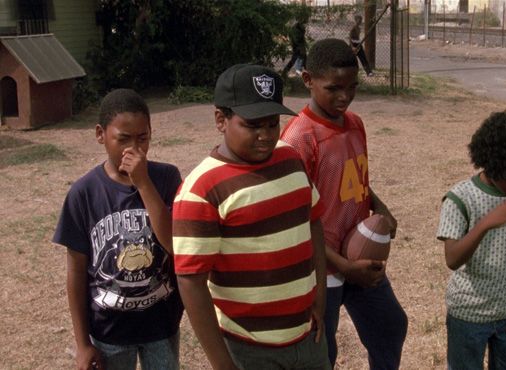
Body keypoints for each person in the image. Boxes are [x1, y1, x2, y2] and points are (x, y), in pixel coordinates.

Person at [172, 64, 330, 370]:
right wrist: (222, 364)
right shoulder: (201, 190)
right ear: (221, 119)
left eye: (273, 124)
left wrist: (319, 299)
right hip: (247, 348)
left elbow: (313, 225)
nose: (266, 135)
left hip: (307, 336)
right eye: (253, 124)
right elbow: (191, 282)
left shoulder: (291, 160)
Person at [281, 38, 408, 369]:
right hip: (325, 266)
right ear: (307, 79)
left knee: (390, 325)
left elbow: (353, 178)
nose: (344, 97)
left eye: (352, 87)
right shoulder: (298, 138)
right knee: (324, 348)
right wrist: (343, 266)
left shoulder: (354, 123)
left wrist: (380, 206)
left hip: (358, 255)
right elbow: (296, 218)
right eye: (333, 88)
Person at [53, 89, 184, 370]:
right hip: (108, 331)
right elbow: (76, 271)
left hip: (161, 324)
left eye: (142, 138)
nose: (134, 149)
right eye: (123, 139)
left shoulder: (167, 178)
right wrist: (82, 344)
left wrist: (144, 183)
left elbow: (175, 245)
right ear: (101, 134)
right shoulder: (83, 193)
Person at [435, 111, 506, 370]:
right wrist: (487, 222)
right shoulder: (460, 199)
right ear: (490, 164)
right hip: (468, 316)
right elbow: (452, 259)